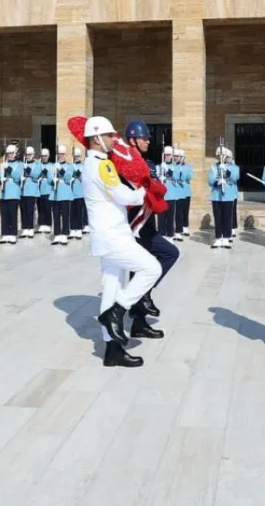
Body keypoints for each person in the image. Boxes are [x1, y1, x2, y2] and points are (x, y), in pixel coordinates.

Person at [81, 116, 161, 368]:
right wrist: (147, 190)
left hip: (107, 235)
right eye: (108, 136)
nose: (113, 140)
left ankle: (112, 349)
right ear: (96, 138)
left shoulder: (94, 164)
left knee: (112, 286)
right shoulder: (101, 166)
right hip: (113, 235)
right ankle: (117, 312)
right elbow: (124, 195)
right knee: (151, 268)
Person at [121, 121, 178, 341]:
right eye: (144, 138)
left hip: (148, 223)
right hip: (135, 226)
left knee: (142, 270)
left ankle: (139, 321)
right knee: (168, 254)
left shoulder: (150, 164)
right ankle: (140, 301)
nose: (148, 141)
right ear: (132, 140)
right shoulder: (124, 166)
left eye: (147, 138)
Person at [208, 146, 238, 248]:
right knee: (218, 218)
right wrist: (217, 182)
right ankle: (218, 238)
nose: (220, 157)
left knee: (227, 217)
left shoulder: (233, 167)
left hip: (228, 195)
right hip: (216, 196)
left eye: (222, 156)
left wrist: (227, 172)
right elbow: (210, 181)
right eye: (219, 156)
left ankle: (226, 237)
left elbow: (235, 178)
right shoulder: (213, 167)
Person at [0, 144, 23, 244]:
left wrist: (9, 170)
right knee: (4, 215)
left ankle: (13, 234)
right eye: (8, 154)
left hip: (14, 193)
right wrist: (1, 179)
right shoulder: (2, 165)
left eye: (11, 153)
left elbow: (17, 177)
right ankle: (5, 234)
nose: (9, 155)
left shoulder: (19, 164)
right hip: (4, 194)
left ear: (15, 154)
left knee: (12, 214)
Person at [50, 145, 75, 245]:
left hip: (65, 194)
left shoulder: (69, 166)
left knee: (65, 214)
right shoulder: (53, 166)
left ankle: (64, 234)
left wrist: (60, 169)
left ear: (65, 155)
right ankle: (57, 234)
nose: (61, 155)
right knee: (56, 215)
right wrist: (53, 179)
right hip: (55, 194)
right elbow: (48, 179)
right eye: (59, 154)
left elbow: (68, 178)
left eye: (62, 154)